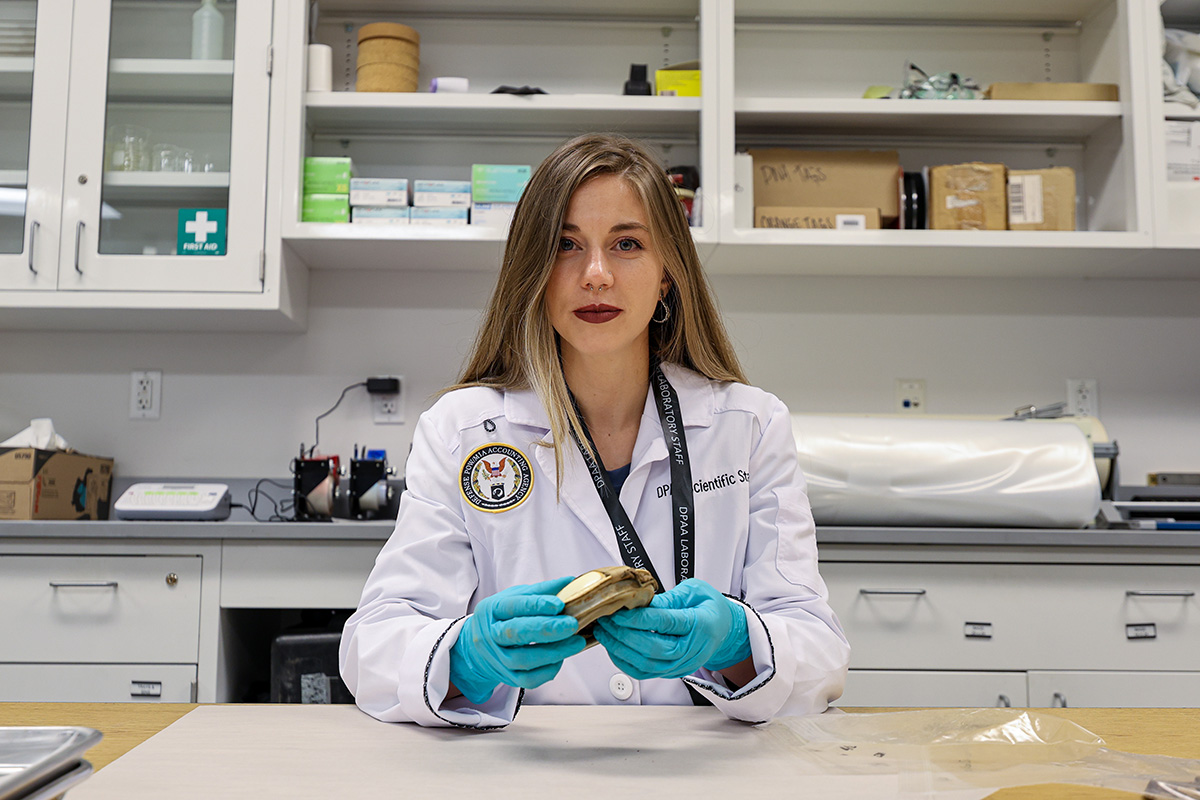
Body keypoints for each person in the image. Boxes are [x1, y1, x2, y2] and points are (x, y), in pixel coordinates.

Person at [339, 133, 849, 728]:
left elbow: (820, 653)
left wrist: (736, 641)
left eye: (627, 244)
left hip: (703, 771)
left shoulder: (749, 426)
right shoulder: (462, 431)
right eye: (565, 246)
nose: (597, 275)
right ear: (533, 271)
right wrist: (467, 657)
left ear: (667, 274)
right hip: (521, 772)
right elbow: (373, 647)